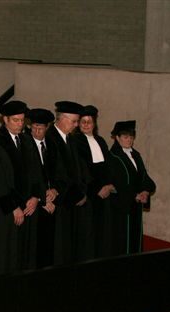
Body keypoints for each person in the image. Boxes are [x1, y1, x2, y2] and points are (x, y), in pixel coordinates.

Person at [0, 100, 42, 275]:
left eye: (22, 120)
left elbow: (37, 171)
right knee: (6, 255)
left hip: (28, 207)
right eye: (15, 120)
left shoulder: (26, 140)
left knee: (25, 254)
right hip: (6, 210)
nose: (20, 124)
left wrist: (36, 197)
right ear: (5, 119)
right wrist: (14, 207)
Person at [45, 101, 88, 265]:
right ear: (61, 118)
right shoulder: (49, 138)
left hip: (72, 201)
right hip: (59, 201)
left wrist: (83, 192)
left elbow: (79, 170)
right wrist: (75, 195)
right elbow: (54, 173)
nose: (77, 125)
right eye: (74, 121)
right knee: (59, 249)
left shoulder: (71, 139)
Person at [108, 120, 156, 255]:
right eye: (125, 137)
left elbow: (144, 177)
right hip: (121, 207)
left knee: (136, 241)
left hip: (136, 205)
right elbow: (117, 182)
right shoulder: (112, 156)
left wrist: (146, 191)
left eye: (131, 137)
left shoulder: (136, 154)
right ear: (117, 138)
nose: (129, 140)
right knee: (123, 243)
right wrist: (134, 195)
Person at [74, 105, 115, 258]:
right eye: (83, 122)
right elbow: (82, 170)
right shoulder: (76, 141)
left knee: (103, 232)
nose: (86, 125)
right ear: (78, 124)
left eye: (89, 122)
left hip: (104, 194)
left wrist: (109, 185)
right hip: (89, 195)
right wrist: (97, 188)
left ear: (94, 124)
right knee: (88, 234)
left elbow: (109, 166)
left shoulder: (101, 141)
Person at [27, 108, 60, 268]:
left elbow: (58, 172)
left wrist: (55, 190)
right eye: (34, 127)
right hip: (34, 202)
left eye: (40, 128)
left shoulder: (52, 145)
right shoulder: (25, 144)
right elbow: (27, 177)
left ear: (47, 127)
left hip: (51, 201)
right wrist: (42, 198)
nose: (37, 131)